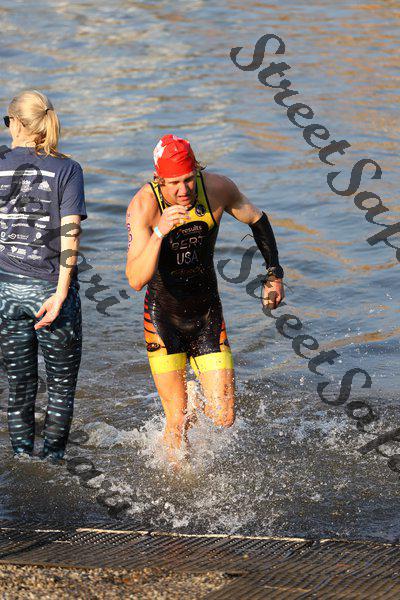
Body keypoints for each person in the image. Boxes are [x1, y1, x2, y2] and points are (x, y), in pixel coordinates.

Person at [125, 134, 284, 459]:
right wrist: (160, 232)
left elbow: (257, 219)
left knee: (224, 417)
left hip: (206, 315)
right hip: (163, 318)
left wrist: (274, 275)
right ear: (159, 179)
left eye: (188, 179)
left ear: (196, 170)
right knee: (177, 420)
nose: (183, 190)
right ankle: (179, 482)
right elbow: (135, 279)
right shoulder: (144, 205)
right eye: (173, 183)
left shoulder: (217, 189)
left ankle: (195, 399)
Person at [0, 90, 87, 460]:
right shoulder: (67, 169)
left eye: (7, 121)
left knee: (18, 386)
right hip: (51, 292)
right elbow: (71, 234)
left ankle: (22, 459)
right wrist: (61, 294)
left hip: (5, 292)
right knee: (61, 389)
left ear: (17, 123)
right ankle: (53, 462)